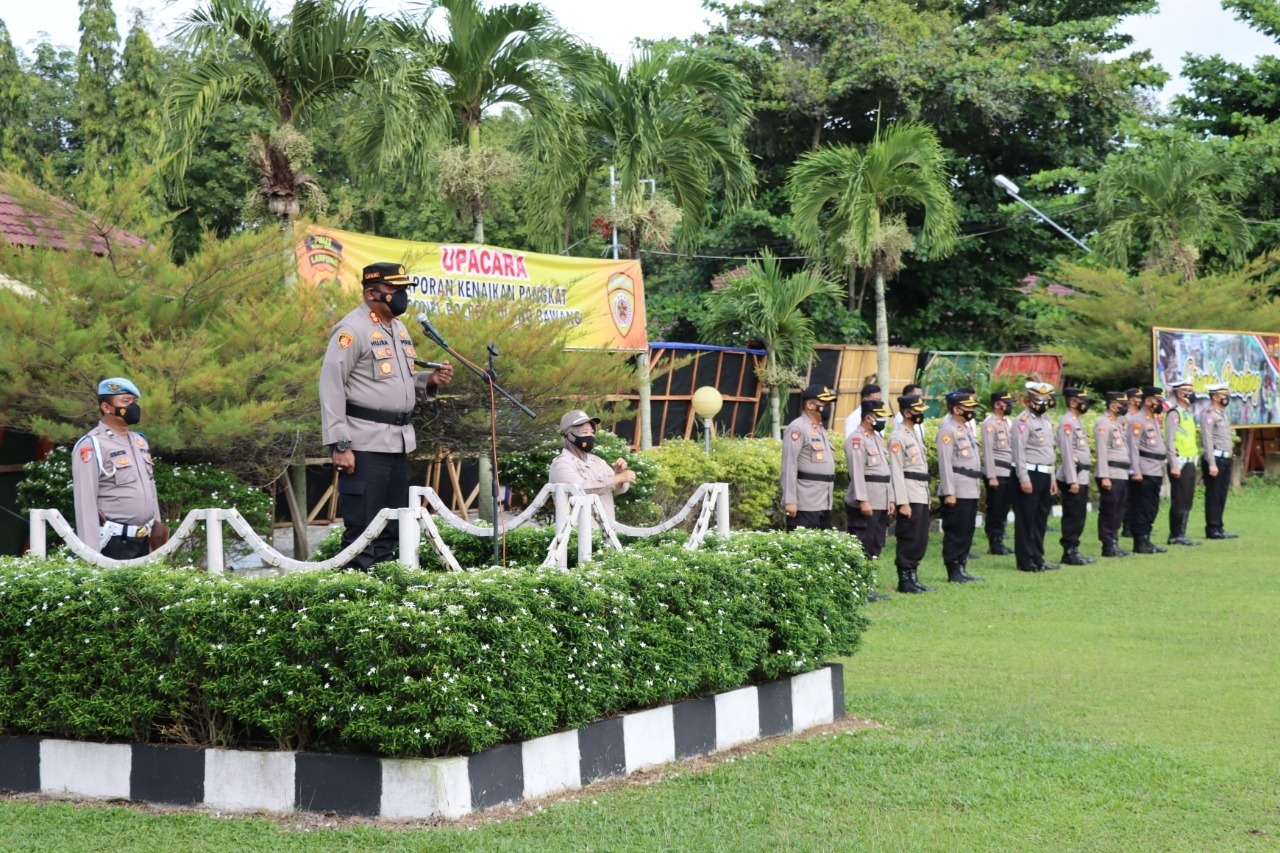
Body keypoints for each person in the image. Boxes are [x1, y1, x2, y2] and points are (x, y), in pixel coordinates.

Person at [319, 261, 454, 570]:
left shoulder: (398, 328)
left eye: (404, 289)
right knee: (363, 528)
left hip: (397, 442)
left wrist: (429, 381)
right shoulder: (351, 330)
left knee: (391, 527)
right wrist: (340, 445)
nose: (402, 295)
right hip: (363, 443)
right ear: (371, 293)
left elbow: (399, 381)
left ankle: (383, 594)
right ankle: (355, 597)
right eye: (395, 290)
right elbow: (331, 386)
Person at [71, 377, 163, 559]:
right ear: (106, 407)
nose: (133, 407)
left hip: (146, 540)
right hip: (113, 543)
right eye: (126, 401)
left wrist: (159, 544)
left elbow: (152, 494)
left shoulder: (140, 441)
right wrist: (91, 555)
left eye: (134, 402)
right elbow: (85, 503)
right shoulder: (92, 445)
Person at [549, 410, 635, 522]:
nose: (590, 436)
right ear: (568, 435)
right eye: (584, 432)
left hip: (606, 531)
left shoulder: (597, 461)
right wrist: (617, 478)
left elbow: (617, 490)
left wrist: (618, 473)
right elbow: (581, 490)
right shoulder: (561, 464)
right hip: (577, 535)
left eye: (591, 432)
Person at [936, 389, 984, 583]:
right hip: (957, 489)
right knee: (956, 531)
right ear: (956, 409)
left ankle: (962, 566)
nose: (971, 411)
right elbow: (945, 463)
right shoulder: (947, 430)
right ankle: (953, 569)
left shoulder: (964, 428)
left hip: (970, 488)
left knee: (967, 530)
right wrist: (949, 492)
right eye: (968, 407)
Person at [1011, 382, 1059, 572]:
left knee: (1040, 519)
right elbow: (1018, 451)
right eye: (1039, 400)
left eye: (1046, 400)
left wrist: (1053, 477)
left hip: (1045, 473)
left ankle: (1038, 557)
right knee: (1026, 519)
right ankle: (1025, 560)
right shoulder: (1022, 421)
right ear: (1028, 400)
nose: (1043, 404)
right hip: (1029, 474)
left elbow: (1050, 451)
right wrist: (1023, 478)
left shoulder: (1046, 419)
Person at [889, 393, 933, 593]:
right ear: (907, 413)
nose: (920, 415)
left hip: (920, 492)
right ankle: (905, 580)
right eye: (917, 411)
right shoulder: (898, 437)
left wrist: (928, 497)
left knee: (920, 537)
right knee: (909, 536)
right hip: (909, 494)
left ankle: (913, 576)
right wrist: (902, 502)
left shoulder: (914, 433)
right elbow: (897, 472)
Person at [781, 384, 838, 530]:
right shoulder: (798, 428)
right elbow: (789, 465)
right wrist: (790, 501)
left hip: (823, 501)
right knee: (802, 549)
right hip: (805, 502)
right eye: (824, 403)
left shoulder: (819, 428)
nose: (827, 407)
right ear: (810, 404)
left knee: (820, 549)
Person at [844, 399, 894, 559]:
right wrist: (862, 500)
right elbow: (856, 472)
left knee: (876, 543)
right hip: (867, 501)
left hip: (881, 500)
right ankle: (858, 581)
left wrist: (890, 499)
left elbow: (886, 472)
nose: (883, 421)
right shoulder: (856, 439)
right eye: (880, 417)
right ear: (868, 418)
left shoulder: (877, 439)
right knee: (862, 544)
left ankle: (869, 579)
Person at [1055, 388, 1096, 565]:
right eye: (1083, 401)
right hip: (1073, 477)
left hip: (1081, 475)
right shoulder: (1067, 423)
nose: (1085, 405)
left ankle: (1074, 549)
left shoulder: (1075, 422)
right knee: (1073, 515)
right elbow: (1067, 453)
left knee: (1079, 515)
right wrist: (1072, 480)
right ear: (1072, 403)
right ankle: (1069, 551)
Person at [1094, 391, 1136, 558]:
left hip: (1122, 473)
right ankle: (1107, 544)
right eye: (1122, 405)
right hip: (1110, 473)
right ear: (1112, 405)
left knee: (1119, 510)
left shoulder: (1118, 423)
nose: (1125, 408)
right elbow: (1102, 451)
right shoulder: (1103, 424)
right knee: (1109, 510)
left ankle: (1114, 542)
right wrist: (1104, 475)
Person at [1129, 386, 1168, 554]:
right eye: (1157, 401)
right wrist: (1135, 470)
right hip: (1144, 470)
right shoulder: (1137, 420)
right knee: (1142, 507)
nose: (1160, 405)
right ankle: (1140, 542)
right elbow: (1133, 447)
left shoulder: (1152, 419)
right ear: (1147, 401)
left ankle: (1147, 539)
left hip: (1156, 469)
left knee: (1152, 506)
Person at [1163, 379, 1202, 546]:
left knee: (1187, 498)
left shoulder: (1187, 413)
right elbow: (1170, 440)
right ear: (1180, 394)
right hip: (1179, 462)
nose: (1192, 394)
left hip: (1189, 460)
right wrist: (1173, 464)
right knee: (1179, 498)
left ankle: (1181, 533)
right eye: (1188, 391)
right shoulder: (1174, 413)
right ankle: (1175, 534)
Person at [1200, 382, 1238, 539]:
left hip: (1225, 459)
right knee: (1214, 495)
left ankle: (1219, 526)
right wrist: (1212, 463)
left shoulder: (1222, 414)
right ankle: (1212, 528)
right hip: (1215, 458)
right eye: (1224, 396)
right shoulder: (1209, 414)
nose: (1226, 398)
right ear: (1215, 397)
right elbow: (1207, 440)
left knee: (1221, 494)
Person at [980, 390, 1016, 555]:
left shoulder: (1008, 422)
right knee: (995, 508)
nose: (1009, 406)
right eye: (1006, 403)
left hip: (1009, 471)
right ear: (996, 405)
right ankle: (994, 542)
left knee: (1003, 508)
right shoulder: (990, 423)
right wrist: (991, 475)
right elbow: (987, 450)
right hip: (997, 472)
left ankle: (1000, 540)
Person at [1120, 387, 1142, 539]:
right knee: (1128, 496)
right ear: (1132, 400)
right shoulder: (1126, 417)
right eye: (1138, 398)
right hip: (1128, 459)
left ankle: (1133, 524)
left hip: (1139, 459)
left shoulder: (1141, 417)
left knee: (1137, 496)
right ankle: (1127, 526)